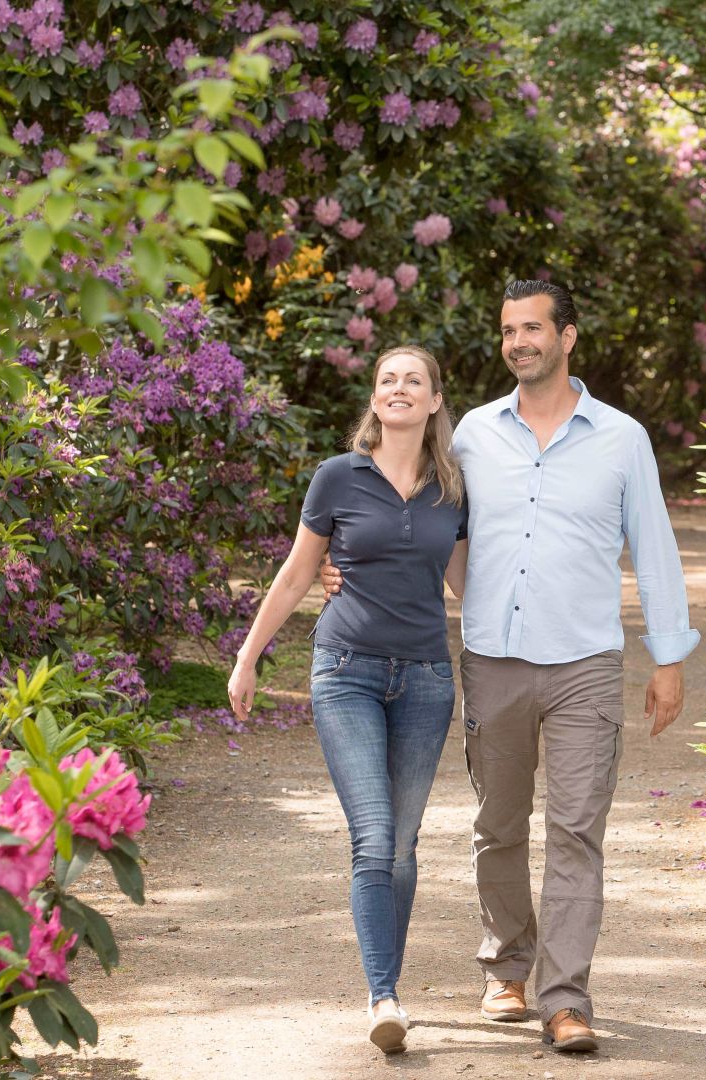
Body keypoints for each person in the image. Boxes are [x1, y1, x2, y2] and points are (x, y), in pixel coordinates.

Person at [326, 280, 699, 1052]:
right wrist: (341, 571)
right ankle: (505, 968)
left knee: (575, 831)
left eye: (533, 328)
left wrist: (669, 659)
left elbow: (655, 550)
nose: (518, 341)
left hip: (586, 663)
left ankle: (565, 1000)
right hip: (492, 659)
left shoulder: (622, 437)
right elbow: (407, 521)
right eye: (507, 330)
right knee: (498, 825)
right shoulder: (469, 439)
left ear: (568, 337)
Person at [226, 344, 468, 1056]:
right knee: (373, 836)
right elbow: (299, 572)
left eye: (414, 380)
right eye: (387, 379)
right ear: (374, 399)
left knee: (402, 845)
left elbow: (468, 588)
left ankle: (387, 984)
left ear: (432, 402)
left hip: (426, 677)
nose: (399, 388)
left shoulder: (452, 490)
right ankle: (384, 994)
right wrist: (248, 656)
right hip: (345, 671)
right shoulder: (337, 477)